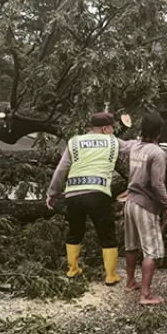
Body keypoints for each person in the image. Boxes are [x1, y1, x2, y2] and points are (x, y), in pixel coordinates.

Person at [46, 112, 133, 284]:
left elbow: (61, 169)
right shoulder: (113, 141)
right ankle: (110, 275)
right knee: (106, 233)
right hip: (98, 193)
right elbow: (133, 147)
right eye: (112, 128)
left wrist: (52, 192)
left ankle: (73, 270)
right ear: (105, 128)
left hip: (73, 194)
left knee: (75, 231)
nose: (114, 131)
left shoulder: (74, 142)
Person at [124, 112, 167, 305]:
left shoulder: (135, 146)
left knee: (132, 244)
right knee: (151, 250)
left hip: (129, 202)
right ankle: (146, 294)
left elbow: (120, 144)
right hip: (145, 205)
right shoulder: (157, 153)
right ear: (159, 131)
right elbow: (157, 183)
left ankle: (130, 282)